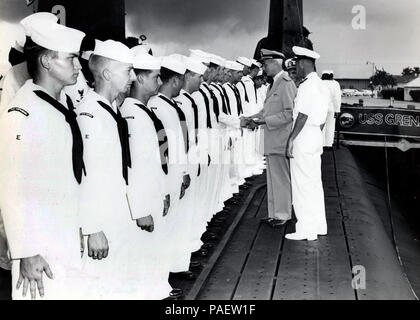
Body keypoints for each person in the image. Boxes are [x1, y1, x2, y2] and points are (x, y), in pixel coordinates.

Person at [0, 19, 86, 299]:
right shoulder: (23, 112)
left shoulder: (58, 105)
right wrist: (25, 251)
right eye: (71, 58)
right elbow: (11, 187)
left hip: (65, 236)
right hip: (39, 249)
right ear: (47, 61)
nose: (78, 66)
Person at [76, 39, 145, 299]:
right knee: (101, 288)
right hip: (102, 220)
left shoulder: (111, 110)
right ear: (107, 73)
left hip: (118, 214)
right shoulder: (89, 114)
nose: (133, 77)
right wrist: (92, 228)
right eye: (128, 70)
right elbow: (86, 174)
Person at [119, 48, 173, 299]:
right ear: (139, 79)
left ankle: (158, 291)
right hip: (143, 200)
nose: (160, 82)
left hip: (153, 192)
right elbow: (134, 165)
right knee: (143, 253)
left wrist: (162, 191)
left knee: (153, 250)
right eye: (155, 77)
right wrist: (141, 210)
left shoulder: (144, 111)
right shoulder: (132, 114)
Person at [242, 48, 297, 228]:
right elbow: (267, 110)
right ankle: (275, 213)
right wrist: (254, 118)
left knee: (280, 179)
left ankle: (283, 214)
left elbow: (289, 114)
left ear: (275, 63)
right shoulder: (275, 83)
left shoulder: (286, 83)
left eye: (265, 65)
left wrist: (263, 121)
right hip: (272, 139)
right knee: (273, 180)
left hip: (280, 139)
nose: (264, 69)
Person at [285, 46, 329, 241]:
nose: (297, 68)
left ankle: (305, 229)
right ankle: (318, 225)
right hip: (315, 135)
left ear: (303, 63)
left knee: (302, 184)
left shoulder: (306, 86)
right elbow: (323, 119)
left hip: (303, 135)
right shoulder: (321, 85)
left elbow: (302, 115)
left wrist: (292, 139)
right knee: (313, 183)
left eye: (297, 64)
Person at [321, 70, 342, 148]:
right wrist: (337, 110)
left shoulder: (320, 83)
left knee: (321, 126)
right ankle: (329, 144)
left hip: (320, 108)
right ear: (332, 76)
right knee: (330, 126)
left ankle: (321, 143)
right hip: (331, 108)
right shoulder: (335, 84)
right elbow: (337, 98)